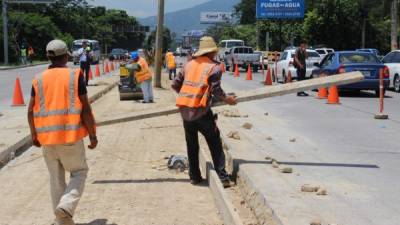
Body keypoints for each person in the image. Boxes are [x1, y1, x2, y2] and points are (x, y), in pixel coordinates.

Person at [27, 40, 97, 225]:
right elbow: (86, 108)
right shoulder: (75, 75)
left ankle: (62, 221)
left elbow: (30, 110)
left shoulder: (38, 78)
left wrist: (34, 134)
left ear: (48, 57)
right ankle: (66, 206)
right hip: (70, 137)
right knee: (79, 172)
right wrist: (92, 134)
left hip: (47, 140)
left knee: (56, 179)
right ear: (66, 56)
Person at [172, 36, 237, 188]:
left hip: (185, 111)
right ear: (211, 52)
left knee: (192, 144)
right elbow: (216, 89)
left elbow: (175, 85)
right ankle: (223, 177)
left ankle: (194, 176)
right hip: (201, 112)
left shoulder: (188, 65)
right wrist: (227, 99)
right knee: (214, 141)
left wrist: (188, 95)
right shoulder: (214, 67)